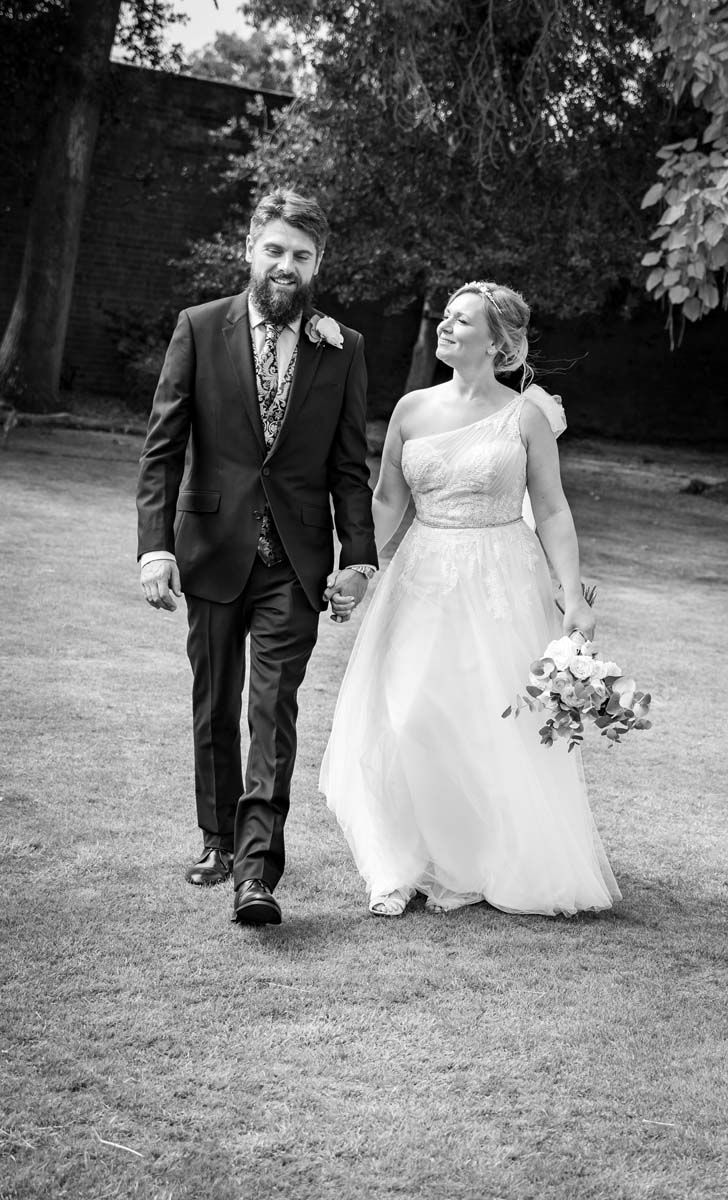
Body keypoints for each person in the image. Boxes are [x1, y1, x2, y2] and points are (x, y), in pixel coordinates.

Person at [320, 281, 621, 917]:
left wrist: (573, 597)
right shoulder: (411, 409)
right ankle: (399, 865)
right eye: (447, 319)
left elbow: (552, 508)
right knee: (406, 715)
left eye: (463, 322)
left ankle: (479, 862)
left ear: (498, 343)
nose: (447, 329)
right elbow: (386, 501)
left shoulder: (526, 417)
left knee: (488, 723)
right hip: (422, 573)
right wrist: (358, 569)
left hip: (499, 577)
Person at [136, 188, 378, 926]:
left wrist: (357, 558)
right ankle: (216, 838)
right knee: (215, 704)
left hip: (294, 565)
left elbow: (347, 468)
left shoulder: (344, 348)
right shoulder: (199, 329)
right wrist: (155, 550)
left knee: (273, 711)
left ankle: (256, 869)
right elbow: (163, 449)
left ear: (318, 264)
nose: (286, 264)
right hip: (210, 549)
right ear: (250, 247)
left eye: (301, 255)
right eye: (274, 249)